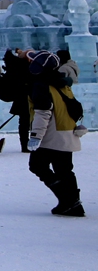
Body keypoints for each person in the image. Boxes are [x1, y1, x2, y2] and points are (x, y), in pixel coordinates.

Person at [26, 51, 86, 216]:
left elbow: (43, 112)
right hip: (67, 133)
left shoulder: (41, 85)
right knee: (65, 170)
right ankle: (74, 204)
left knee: (38, 166)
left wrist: (36, 137)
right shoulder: (62, 83)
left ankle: (68, 201)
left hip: (51, 135)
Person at [2, 49, 33, 152]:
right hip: (28, 98)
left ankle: (25, 144)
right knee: (30, 123)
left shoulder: (16, 67)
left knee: (24, 123)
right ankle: (31, 144)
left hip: (21, 99)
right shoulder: (26, 67)